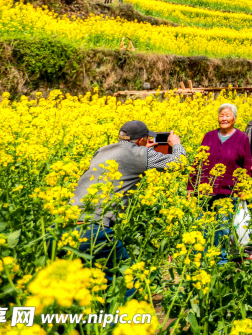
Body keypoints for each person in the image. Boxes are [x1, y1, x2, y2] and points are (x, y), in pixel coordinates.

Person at [71, 121, 185, 290]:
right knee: (128, 284)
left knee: (85, 288)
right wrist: (176, 145)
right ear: (141, 140)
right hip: (94, 231)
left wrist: (143, 151)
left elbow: (126, 160)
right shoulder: (138, 154)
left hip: (65, 226)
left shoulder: (102, 150)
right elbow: (178, 162)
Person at [188, 103, 252, 263]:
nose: (224, 118)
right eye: (221, 115)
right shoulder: (209, 136)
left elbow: (246, 164)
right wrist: (191, 186)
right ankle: (203, 260)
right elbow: (198, 162)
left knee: (223, 228)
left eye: (227, 115)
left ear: (235, 119)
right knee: (203, 227)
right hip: (204, 190)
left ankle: (222, 261)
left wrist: (245, 187)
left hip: (228, 191)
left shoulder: (242, 138)